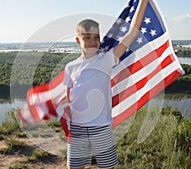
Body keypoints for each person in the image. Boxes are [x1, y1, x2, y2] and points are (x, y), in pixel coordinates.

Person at [63, 1, 149, 168]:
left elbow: (132, 33)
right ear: (77, 40)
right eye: (87, 37)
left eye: (96, 37)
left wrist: (143, 1)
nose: (93, 41)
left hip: (101, 127)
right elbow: (69, 97)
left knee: (108, 167)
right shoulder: (70, 67)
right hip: (77, 128)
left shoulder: (106, 59)